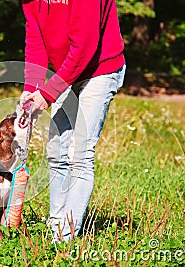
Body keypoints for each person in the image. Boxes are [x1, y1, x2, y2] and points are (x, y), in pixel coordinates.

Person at [19, 0, 126, 242]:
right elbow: (36, 40)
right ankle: (54, 224)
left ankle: (64, 237)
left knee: (80, 152)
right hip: (66, 70)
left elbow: (84, 48)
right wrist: (32, 89)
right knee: (56, 150)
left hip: (99, 69)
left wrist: (47, 94)